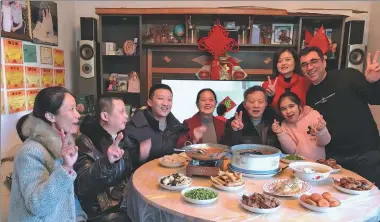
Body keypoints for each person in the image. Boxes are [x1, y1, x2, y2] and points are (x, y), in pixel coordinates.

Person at [300, 46, 380, 184]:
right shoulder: (310, 95)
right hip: (336, 158)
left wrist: (373, 82)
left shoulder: (348, 75)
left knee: (371, 197)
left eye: (314, 61)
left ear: (324, 62)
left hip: (366, 152)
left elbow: (375, 98)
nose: (309, 67)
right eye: (304, 64)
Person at [8, 86, 87, 222]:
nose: (78, 115)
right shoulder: (30, 152)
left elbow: (67, 196)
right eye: (71, 109)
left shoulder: (61, 145)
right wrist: (66, 168)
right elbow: (38, 205)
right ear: (50, 116)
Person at [74, 95, 131, 222]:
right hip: (101, 212)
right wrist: (106, 161)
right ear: (105, 116)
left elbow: (126, 173)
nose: (126, 116)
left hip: (121, 202)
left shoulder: (119, 137)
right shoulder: (85, 142)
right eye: (121, 112)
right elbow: (83, 185)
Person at [124, 83, 187, 172]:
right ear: (150, 102)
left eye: (169, 99)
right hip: (143, 179)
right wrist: (141, 157)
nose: (165, 103)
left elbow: (180, 154)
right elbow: (124, 166)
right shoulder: (133, 127)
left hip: (171, 177)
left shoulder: (176, 127)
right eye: (160, 98)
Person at [272, 92, 331, 161]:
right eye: (283, 109)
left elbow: (325, 142)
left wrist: (321, 130)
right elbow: (290, 151)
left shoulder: (313, 115)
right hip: (297, 165)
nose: (288, 111)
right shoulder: (284, 125)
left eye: (291, 106)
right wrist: (280, 133)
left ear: (299, 106)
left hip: (318, 165)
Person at [262, 48, 311, 113]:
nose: (283, 63)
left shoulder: (306, 82)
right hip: (276, 122)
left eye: (287, 60)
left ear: (295, 61)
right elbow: (264, 111)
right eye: (279, 61)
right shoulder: (268, 85)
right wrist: (270, 97)